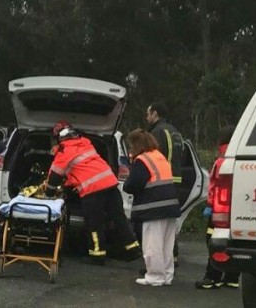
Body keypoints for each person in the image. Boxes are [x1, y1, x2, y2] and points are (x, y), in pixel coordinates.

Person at [45, 121, 141, 265]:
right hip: (110, 183)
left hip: (93, 190)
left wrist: (49, 192)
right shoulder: (85, 143)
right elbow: (82, 168)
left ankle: (97, 255)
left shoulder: (65, 150)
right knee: (119, 217)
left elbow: (55, 175)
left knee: (94, 223)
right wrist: (68, 185)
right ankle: (133, 250)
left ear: (59, 138)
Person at [123, 129, 181, 287]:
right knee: (166, 245)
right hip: (170, 206)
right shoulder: (159, 156)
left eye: (131, 146)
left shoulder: (142, 160)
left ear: (137, 145)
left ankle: (155, 276)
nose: (130, 150)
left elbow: (132, 185)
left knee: (152, 245)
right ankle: (167, 276)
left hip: (153, 208)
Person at [196, 125, 240, 289]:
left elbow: (217, 187)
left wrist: (210, 206)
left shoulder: (222, 160)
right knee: (234, 243)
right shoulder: (239, 157)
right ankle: (232, 277)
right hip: (236, 210)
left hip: (220, 211)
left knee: (214, 242)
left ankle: (212, 278)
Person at [145, 101, 185, 265]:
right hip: (175, 181)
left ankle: (157, 263)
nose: (147, 117)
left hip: (161, 182)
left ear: (154, 113)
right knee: (169, 224)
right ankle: (172, 258)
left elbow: (153, 157)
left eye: (148, 113)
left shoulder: (157, 131)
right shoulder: (175, 132)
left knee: (157, 225)